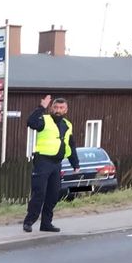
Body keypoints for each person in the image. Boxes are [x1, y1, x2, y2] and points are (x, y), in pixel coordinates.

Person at [23, 95, 79, 233]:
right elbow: (30, 122)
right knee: (39, 193)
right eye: (56, 107)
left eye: (61, 107)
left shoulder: (67, 124)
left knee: (53, 195)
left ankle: (46, 223)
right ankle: (29, 221)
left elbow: (70, 145)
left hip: (57, 164)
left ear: (66, 110)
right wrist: (41, 107)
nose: (58, 110)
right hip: (43, 162)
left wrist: (75, 163)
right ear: (51, 108)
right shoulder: (44, 120)